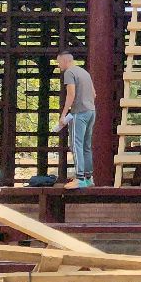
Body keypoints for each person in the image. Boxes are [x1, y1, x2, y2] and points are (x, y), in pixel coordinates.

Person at [54, 49, 96, 188]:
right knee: (86, 146)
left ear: (65, 60)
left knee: (75, 145)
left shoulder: (69, 73)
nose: (59, 65)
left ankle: (79, 178)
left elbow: (70, 94)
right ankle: (89, 178)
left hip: (79, 113)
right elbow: (94, 94)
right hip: (91, 111)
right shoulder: (85, 73)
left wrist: (63, 114)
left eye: (59, 62)